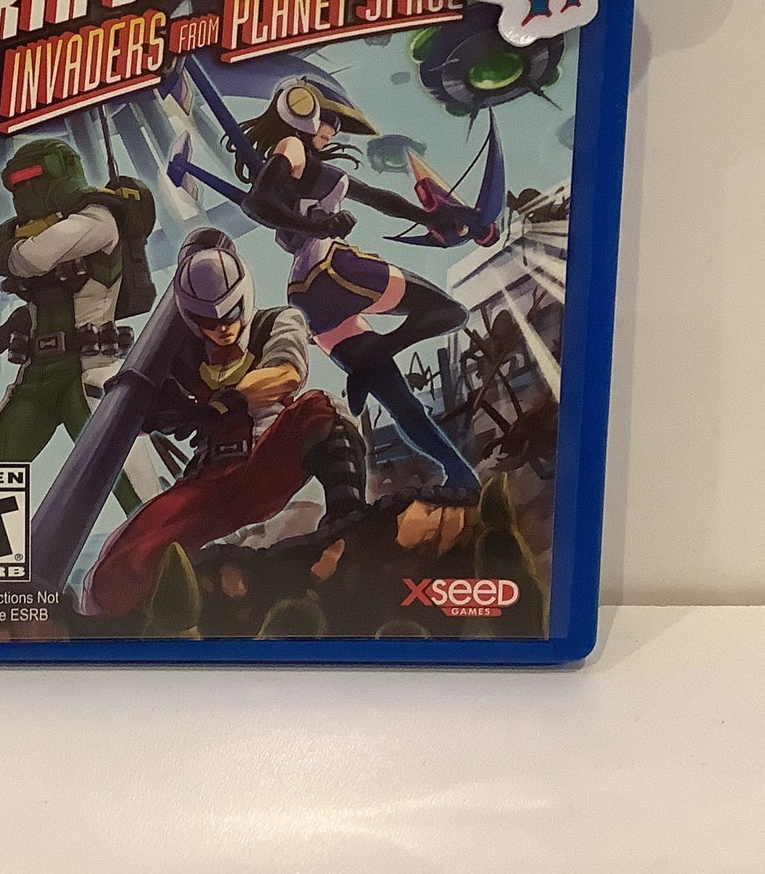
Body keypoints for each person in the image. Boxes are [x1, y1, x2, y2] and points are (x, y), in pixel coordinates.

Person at [84, 236, 366, 616]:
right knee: (117, 573)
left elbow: (286, 374)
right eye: (208, 321)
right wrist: (154, 409)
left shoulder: (276, 322)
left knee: (322, 409)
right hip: (208, 480)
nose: (223, 327)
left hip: (266, 458)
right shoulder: (180, 355)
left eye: (231, 313)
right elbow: (133, 418)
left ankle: (348, 525)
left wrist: (224, 403)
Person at [235, 77, 482, 493]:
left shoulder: (312, 169)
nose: (332, 132)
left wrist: (429, 218)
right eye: (329, 121)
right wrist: (318, 225)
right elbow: (255, 203)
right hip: (334, 270)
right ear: (302, 111)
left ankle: (460, 477)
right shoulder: (292, 146)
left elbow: (376, 197)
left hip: (307, 295)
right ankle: (379, 357)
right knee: (449, 312)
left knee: (401, 402)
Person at [0, 138, 156, 513]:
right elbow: (41, 307)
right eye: (13, 187)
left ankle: (171, 550)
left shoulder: (99, 219)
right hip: (37, 379)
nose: (21, 196)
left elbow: (30, 258)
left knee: (141, 499)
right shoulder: (37, 229)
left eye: (28, 182)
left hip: (91, 371)